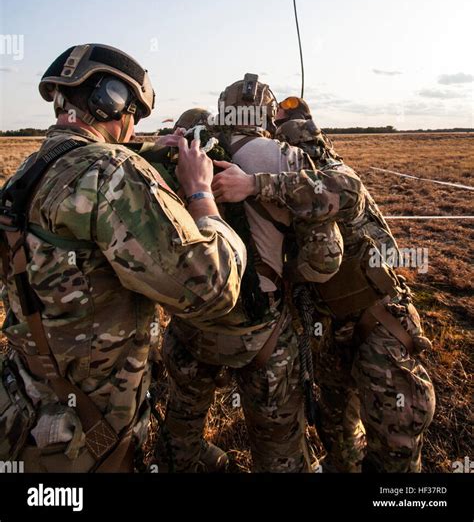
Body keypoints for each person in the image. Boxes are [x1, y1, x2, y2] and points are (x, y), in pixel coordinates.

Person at [0, 43, 246, 472]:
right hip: (87, 438)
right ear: (112, 100)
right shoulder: (113, 172)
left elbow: (86, 191)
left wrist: (146, 156)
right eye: (133, 114)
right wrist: (201, 193)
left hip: (28, 412)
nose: (134, 127)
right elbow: (212, 287)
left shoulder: (31, 167)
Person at [212, 117, 436, 473]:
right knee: (338, 432)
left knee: (397, 440)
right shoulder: (293, 188)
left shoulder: (331, 173)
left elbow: (346, 192)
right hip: (328, 330)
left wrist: (254, 184)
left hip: (378, 323)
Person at [155, 76, 343, 473]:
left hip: (191, 323)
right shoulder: (284, 158)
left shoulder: (181, 152)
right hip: (262, 333)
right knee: (280, 452)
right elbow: (326, 260)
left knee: (181, 430)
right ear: (266, 114)